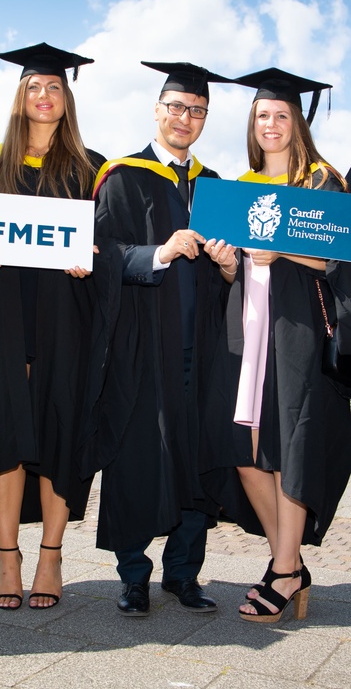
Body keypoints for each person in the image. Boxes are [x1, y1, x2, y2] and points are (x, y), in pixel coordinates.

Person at [79, 61, 235, 616]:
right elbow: (101, 260)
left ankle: (184, 574)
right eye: (176, 107)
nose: (185, 118)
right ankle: (134, 576)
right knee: (137, 458)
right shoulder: (122, 177)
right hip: (142, 349)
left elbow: (231, 279)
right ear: (157, 110)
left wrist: (228, 269)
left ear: (205, 119)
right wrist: (159, 254)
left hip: (201, 349)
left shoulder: (217, 188)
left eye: (197, 111)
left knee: (196, 457)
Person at [206, 67, 351, 623]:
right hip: (247, 333)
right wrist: (227, 264)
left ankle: (285, 571)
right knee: (246, 454)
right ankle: (286, 561)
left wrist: (281, 249)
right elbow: (239, 274)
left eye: (281, 115)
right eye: (263, 115)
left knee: (289, 451)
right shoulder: (237, 190)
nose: (271, 124)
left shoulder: (321, 183)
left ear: (298, 123)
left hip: (298, 336)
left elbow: (337, 260)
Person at [0, 42, 106, 610]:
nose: (44, 95)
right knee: (5, 434)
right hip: (3, 316)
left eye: (54, 86)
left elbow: (108, 244)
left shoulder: (91, 167)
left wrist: (93, 255)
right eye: (34, 86)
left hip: (64, 321)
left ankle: (51, 555)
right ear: (20, 96)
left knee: (59, 432)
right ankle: (8, 558)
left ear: (67, 96)